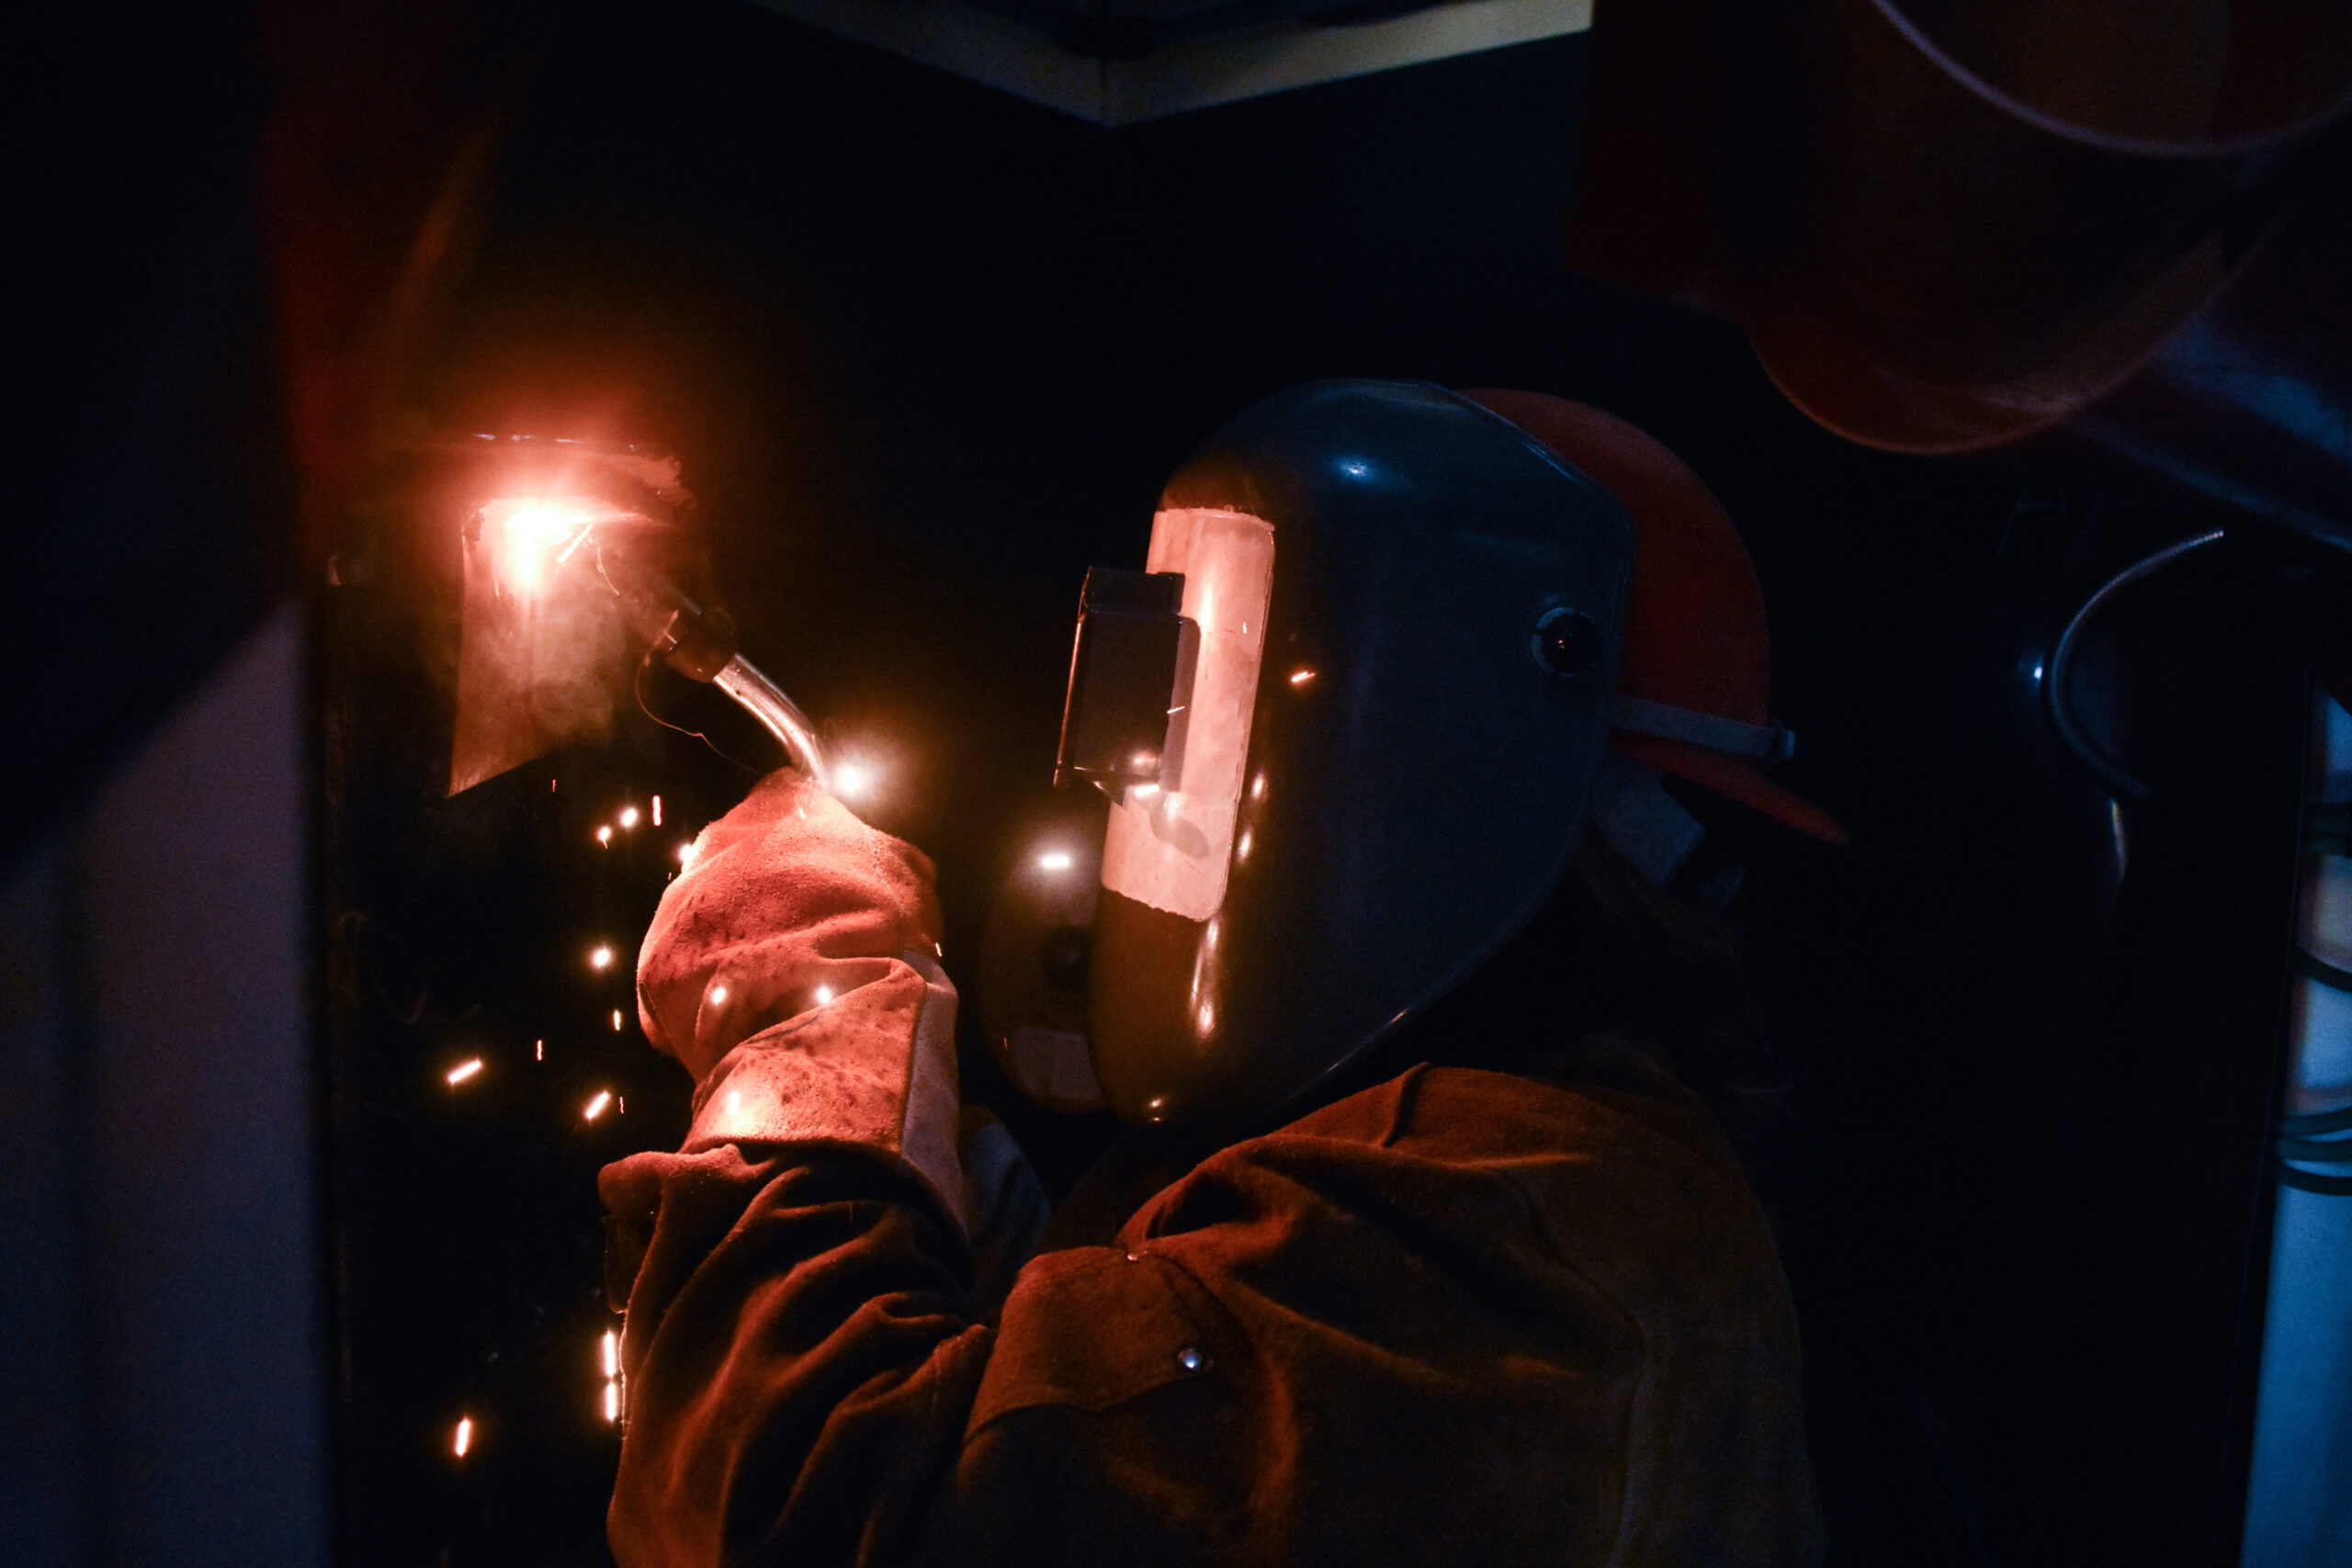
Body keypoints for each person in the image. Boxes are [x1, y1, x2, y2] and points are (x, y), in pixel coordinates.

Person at [599, 386, 1838, 1566]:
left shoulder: (1533, 1252)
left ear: (1412, 751)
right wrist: (986, 1259)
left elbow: (801, 1516)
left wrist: (805, 1028)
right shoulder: (1486, 1178)